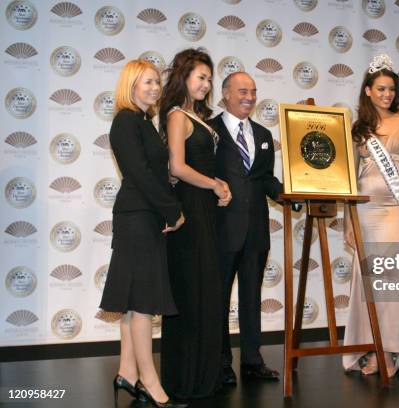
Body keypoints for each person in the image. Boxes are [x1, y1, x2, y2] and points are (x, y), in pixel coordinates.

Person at [99, 60, 187, 408]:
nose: (154, 88)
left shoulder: (142, 121)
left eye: (156, 83)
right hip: (138, 217)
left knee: (134, 302)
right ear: (131, 85)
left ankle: (127, 373)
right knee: (142, 304)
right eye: (147, 82)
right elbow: (140, 175)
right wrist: (173, 210)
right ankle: (151, 383)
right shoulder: (125, 121)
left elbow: (152, 172)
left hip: (143, 215)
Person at [342, 54, 399, 378]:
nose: (387, 94)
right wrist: (348, 220)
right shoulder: (358, 127)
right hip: (364, 211)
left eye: (391, 89)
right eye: (381, 89)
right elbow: (349, 175)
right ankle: (371, 348)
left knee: (391, 283)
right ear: (368, 90)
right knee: (368, 284)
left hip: (393, 210)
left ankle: (390, 353)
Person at [159, 49, 231, 398]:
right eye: (200, 77)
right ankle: (184, 380)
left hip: (204, 211)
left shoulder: (195, 116)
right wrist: (215, 183)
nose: (206, 84)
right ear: (184, 77)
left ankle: (204, 376)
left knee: (205, 292)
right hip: (190, 213)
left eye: (208, 78)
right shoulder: (176, 116)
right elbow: (177, 167)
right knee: (191, 294)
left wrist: (219, 186)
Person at [208, 71, 283, 383]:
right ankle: (221, 363)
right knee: (219, 299)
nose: (249, 97)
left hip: (256, 232)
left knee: (251, 297)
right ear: (225, 94)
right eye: (242, 91)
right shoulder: (207, 131)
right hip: (220, 230)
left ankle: (252, 361)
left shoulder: (264, 135)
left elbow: (264, 178)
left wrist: (289, 194)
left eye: (253, 91)